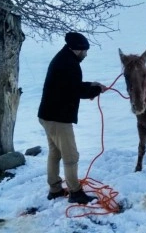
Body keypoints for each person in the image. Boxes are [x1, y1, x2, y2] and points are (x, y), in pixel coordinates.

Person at [38, 32, 107, 204]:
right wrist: (96, 90)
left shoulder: (63, 59)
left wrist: (92, 85)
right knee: (71, 156)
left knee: (55, 153)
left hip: (47, 115)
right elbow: (75, 90)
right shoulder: (69, 64)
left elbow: (70, 86)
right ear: (77, 50)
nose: (86, 54)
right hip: (58, 119)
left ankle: (54, 189)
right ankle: (75, 192)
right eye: (85, 51)